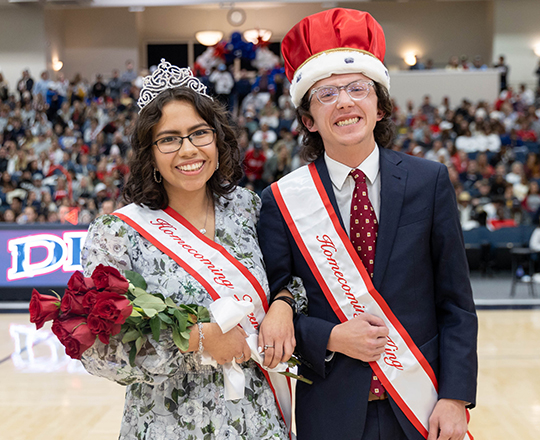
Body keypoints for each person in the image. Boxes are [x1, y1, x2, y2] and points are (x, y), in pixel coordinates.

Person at [258, 9, 478, 440]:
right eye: (326, 94)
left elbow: (456, 303)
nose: (345, 102)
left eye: (359, 88)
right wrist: (332, 337)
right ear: (308, 120)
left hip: (423, 405)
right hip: (330, 409)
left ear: (380, 107)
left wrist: (455, 398)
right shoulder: (282, 201)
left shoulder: (428, 181)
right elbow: (275, 313)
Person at [80, 59, 291, 440]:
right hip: (168, 426)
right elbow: (98, 351)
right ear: (150, 154)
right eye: (169, 138)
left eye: (199, 133)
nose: (188, 149)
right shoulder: (118, 233)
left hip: (259, 423)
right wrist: (200, 339)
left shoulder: (249, 208)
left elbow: (289, 277)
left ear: (218, 138)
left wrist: (283, 305)